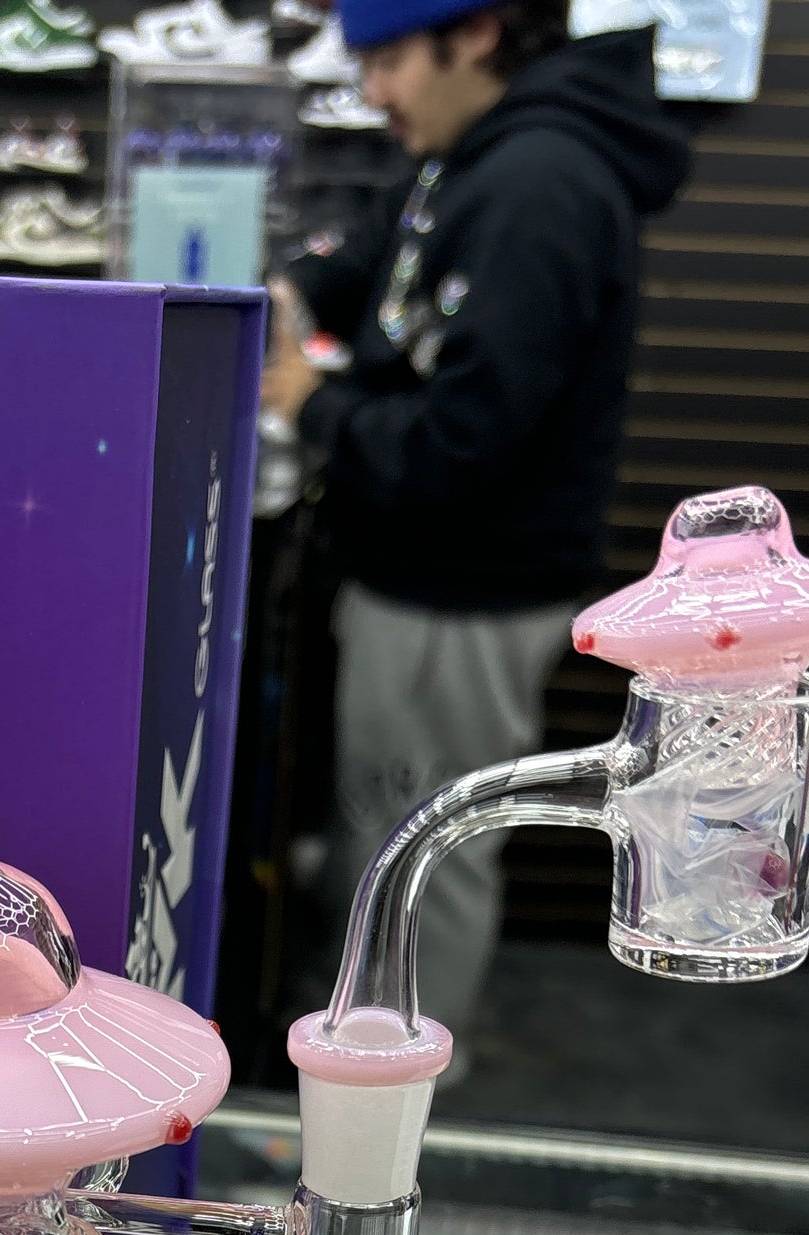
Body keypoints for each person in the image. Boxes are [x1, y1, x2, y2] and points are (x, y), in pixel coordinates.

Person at [263, 0, 689, 1043]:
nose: (372, 91)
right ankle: (362, 1041)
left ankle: (402, 1087)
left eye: (390, 61)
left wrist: (310, 404)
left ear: (478, 34)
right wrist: (289, 292)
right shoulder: (469, 154)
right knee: (391, 831)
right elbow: (379, 268)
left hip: (459, 590)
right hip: (424, 579)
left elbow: (464, 441)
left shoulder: (538, 181)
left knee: (422, 851)